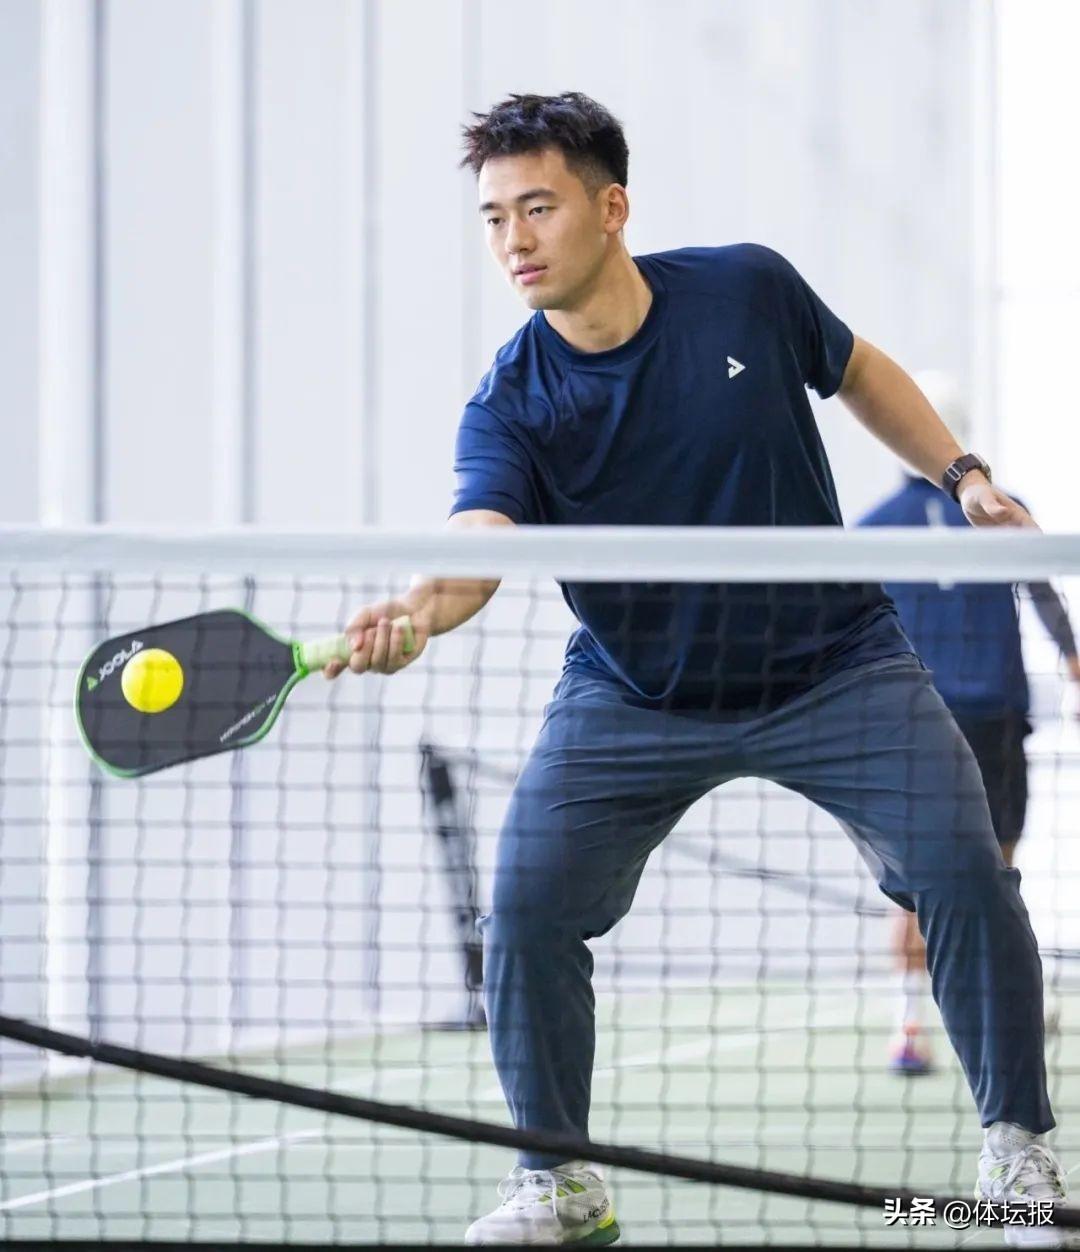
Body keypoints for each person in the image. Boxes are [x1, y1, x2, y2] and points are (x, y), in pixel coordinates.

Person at [325, 93, 1070, 1247]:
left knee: (966, 870)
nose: (514, 240)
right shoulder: (514, 399)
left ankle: (1016, 1158)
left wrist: (963, 474)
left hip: (836, 667)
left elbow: (861, 370)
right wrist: (419, 612)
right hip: (636, 690)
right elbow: (480, 541)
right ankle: (560, 1183)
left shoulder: (745, 291)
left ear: (611, 207)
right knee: (524, 905)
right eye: (493, 218)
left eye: (538, 207)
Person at [859, 371, 1080, 1077]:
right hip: (993, 718)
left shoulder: (872, 529)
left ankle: (908, 1028)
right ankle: (1005, 1017)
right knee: (998, 873)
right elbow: (1045, 595)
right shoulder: (1004, 511)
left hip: (914, 722)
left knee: (913, 879)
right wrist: (1073, 658)